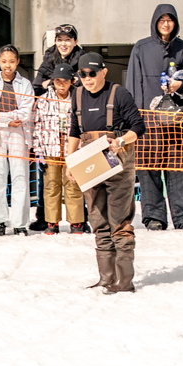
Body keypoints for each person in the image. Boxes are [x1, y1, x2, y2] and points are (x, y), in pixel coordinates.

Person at [65, 51, 145, 293]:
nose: (87, 79)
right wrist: (70, 161)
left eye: (92, 73)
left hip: (117, 158)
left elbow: (138, 127)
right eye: (82, 74)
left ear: (103, 72)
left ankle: (125, 281)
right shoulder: (77, 95)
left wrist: (120, 142)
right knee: (97, 218)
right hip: (90, 159)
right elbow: (74, 130)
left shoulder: (118, 93)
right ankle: (106, 277)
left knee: (119, 220)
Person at [126, 3, 183, 231]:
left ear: (175, 23)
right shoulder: (141, 48)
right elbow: (132, 84)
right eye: (162, 20)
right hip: (147, 120)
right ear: (155, 23)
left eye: (170, 20)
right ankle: (153, 217)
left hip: (175, 119)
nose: (166, 24)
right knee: (148, 168)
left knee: (178, 167)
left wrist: (182, 85)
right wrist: (135, 118)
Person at [31, 23, 84, 231]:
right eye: (60, 39)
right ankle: (48, 220)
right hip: (51, 141)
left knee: (75, 182)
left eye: (68, 40)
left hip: (72, 139)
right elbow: (37, 86)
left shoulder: (83, 58)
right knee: (50, 183)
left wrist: (76, 82)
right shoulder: (49, 57)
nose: (64, 43)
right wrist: (50, 84)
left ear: (75, 42)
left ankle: (79, 220)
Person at [0, 44, 35, 236]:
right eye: (4, 61)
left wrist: (1, 116)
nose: (7, 66)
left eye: (11, 61)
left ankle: (20, 222)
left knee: (20, 175)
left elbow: (26, 113)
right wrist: (9, 120)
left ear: (18, 62)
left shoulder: (25, 84)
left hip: (19, 133)